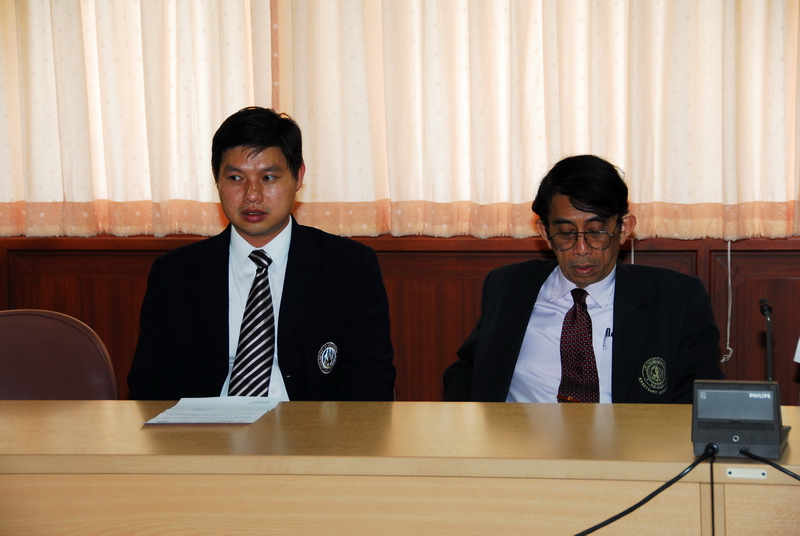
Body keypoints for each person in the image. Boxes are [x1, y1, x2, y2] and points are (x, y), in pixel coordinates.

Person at [128, 107, 395, 401]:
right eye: (236, 178)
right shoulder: (174, 274)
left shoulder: (350, 267)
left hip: (309, 427)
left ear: (298, 176)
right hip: (207, 427)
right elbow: (150, 386)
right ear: (216, 179)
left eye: (268, 177)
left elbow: (370, 384)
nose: (252, 194)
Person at [443, 154, 723, 403]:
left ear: (623, 228)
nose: (581, 249)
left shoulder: (676, 297)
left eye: (596, 231)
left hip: (627, 441)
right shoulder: (508, 286)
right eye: (566, 233)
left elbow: (699, 394)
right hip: (521, 440)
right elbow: (469, 369)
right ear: (545, 232)